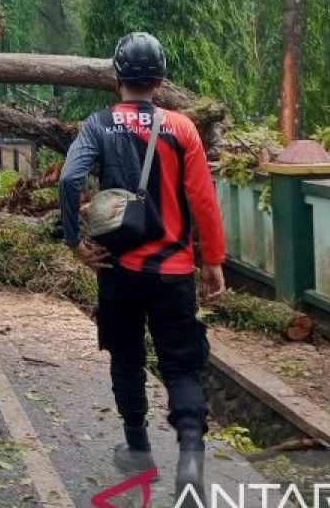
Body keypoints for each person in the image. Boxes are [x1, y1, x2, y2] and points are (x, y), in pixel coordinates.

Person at [58, 32, 226, 504]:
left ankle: (139, 455)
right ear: (160, 79)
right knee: (182, 365)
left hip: (119, 269)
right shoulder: (184, 128)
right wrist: (211, 260)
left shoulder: (98, 124)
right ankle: (190, 464)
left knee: (127, 358)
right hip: (173, 272)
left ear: (117, 77)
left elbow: (71, 178)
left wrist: (77, 240)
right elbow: (203, 201)